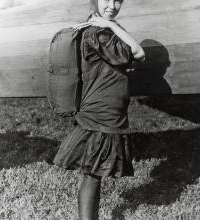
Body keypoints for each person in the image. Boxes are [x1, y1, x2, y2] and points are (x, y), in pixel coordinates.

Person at [53, 0, 145, 219]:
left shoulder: (99, 28)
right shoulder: (100, 33)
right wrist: (113, 26)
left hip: (102, 111)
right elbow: (139, 53)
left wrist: (111, 24)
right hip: (102, 114)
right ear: (95, 1)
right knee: (93, 175)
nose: (112, 6)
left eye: (118, 1)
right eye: (106, 0)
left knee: (93, 174)